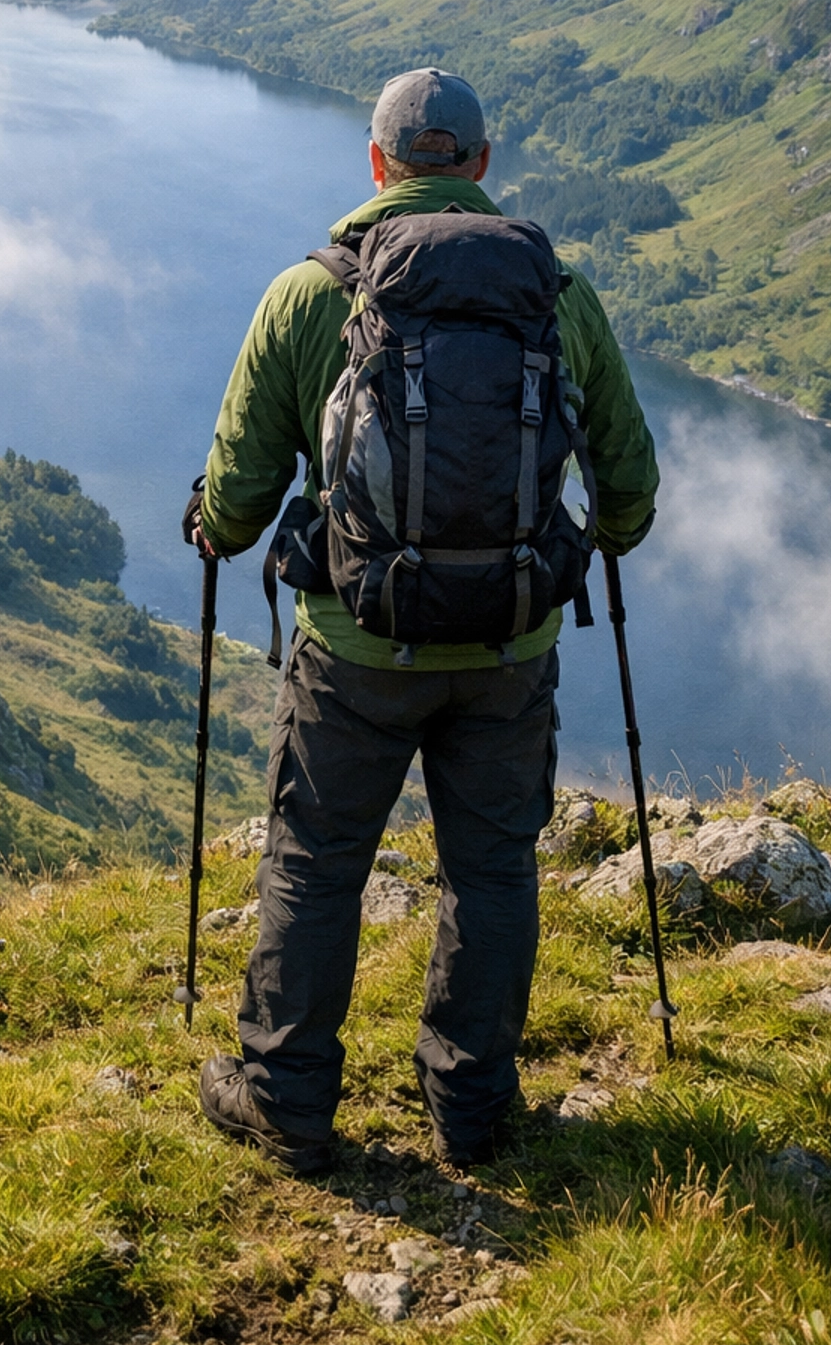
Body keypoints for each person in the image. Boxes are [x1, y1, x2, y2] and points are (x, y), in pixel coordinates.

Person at [188, 66, 658, 1173]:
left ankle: (289, 1104)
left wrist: (210, 523)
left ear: (376, 164)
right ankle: (472, 1112)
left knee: (315, 863)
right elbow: (627, 493)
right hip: (509, 649)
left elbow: (243, 498)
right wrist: (579, 540)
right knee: (492, 871)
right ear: (482, 168)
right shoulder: (560, 297)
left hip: (354, 650)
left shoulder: (309, 296)